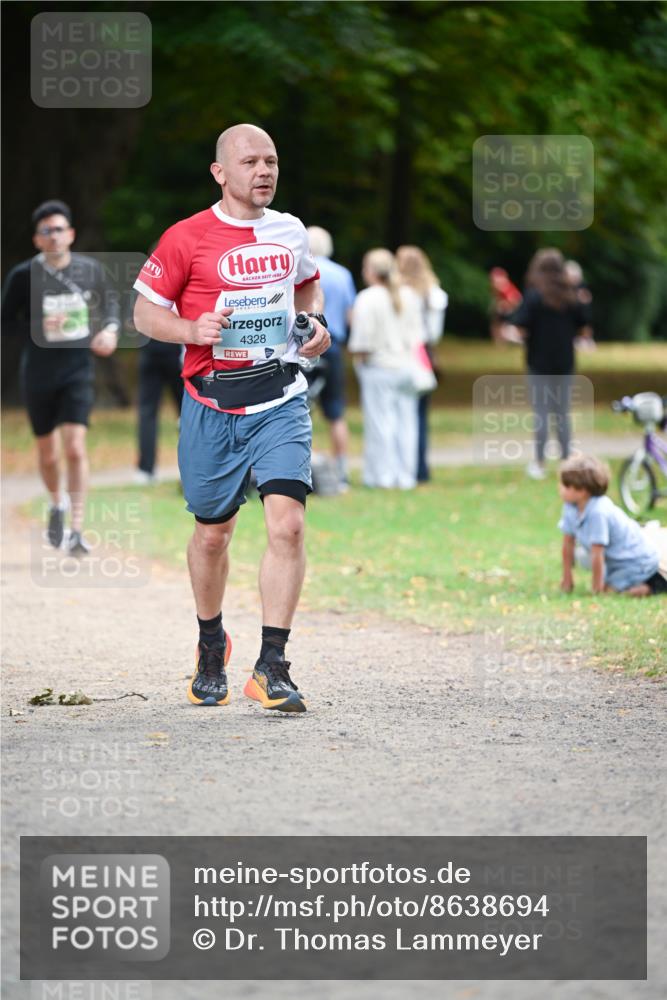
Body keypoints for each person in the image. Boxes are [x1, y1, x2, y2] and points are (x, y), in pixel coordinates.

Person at [133, 123, 330, 713]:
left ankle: (272, 667)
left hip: (280, 398)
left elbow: (307, 288)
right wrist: (190, 330)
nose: (264, 171)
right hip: (211, 402)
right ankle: (211, 643)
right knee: (213, 534)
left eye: (271, 160)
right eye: (251, 162)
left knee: (287, 525)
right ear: (221, 172)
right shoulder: (185, 237)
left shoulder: (289, 231)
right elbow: (145, 314)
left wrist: (315, 327)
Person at [1, 199, 120, 552]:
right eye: (46, 232)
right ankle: (57, 503)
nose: (53, 237)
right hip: (38, 373)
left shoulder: (90, 270)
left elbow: (112, 304)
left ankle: (77, 530)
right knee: (49, 454)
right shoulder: (23, 276)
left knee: (74, 446)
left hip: (77, 371)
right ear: (37, 240)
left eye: (59, 230)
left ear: (71, 234)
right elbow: (6, 323)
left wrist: (110, 331)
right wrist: (39, 327)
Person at [508, 248, 593, 480]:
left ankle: (539, 462)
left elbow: (520, 325)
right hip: (565, 362)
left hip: (538, 362)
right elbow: (584, 326)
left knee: (542, 413)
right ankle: (566, 460)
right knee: (562, 413)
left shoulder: (534, 296)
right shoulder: (571, 296)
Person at [348, 248, 424, 490]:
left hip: (378, 366)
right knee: (407, 422)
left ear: (371, 271)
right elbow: (419, 334)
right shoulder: (409, 295)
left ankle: (382, 475)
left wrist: (359, 361)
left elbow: (362, 340)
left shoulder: (368, 298)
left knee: (381, 423)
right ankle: (406, 475)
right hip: (407, 365)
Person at [558, 455, 666, 596]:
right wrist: (567, 578)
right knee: (582, 556)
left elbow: (598, 553)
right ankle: (626, 581)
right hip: (615, 559)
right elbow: (568, 543)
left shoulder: (598, 512)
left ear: (582, 491)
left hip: (636, 561)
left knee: (609, 591)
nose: (560, 489)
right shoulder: (570, 506)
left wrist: (597, 589)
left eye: (566, 486)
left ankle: (653, 586)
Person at [306, 226, 356, 486]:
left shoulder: (301, 271)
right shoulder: (342, 274)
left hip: (303, 346)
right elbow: (350, 315)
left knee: (300, 410)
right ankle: (341, 470)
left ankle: (303, 467)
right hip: (333, 345)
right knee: (335, 411)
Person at [396, 245, 448, 482]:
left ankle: (403, 466)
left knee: (400, 415)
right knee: (419, 414)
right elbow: (434, 334)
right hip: (422, 357)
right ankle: (420, 468)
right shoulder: (434, 294)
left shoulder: (398, 293)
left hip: (399, 356)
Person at [488, 266, 522, 345]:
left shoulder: (505, 287)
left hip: (512, 309)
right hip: (507, 309)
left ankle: (502, 341)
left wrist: (502, 305)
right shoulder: (498, 287)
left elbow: (515, 300)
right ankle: (499, 341)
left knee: (504, 326)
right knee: (496, 322)